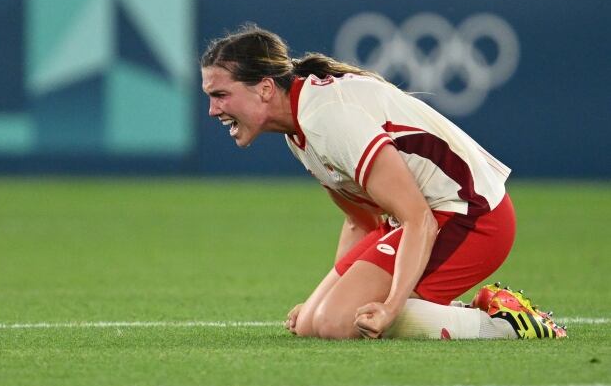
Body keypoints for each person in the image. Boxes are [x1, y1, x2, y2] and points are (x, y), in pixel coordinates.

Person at [200, 24, 566, 340]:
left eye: (220, 95)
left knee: (339, 322)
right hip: (429, 219)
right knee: (314, 323)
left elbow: (418, 219)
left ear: (265, 88)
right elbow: (360, 221)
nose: (213, 110)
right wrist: (329, 299)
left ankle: (504, 323)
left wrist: (390, 308)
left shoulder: (326, 118)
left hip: (473, 217)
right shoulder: (298, 127)